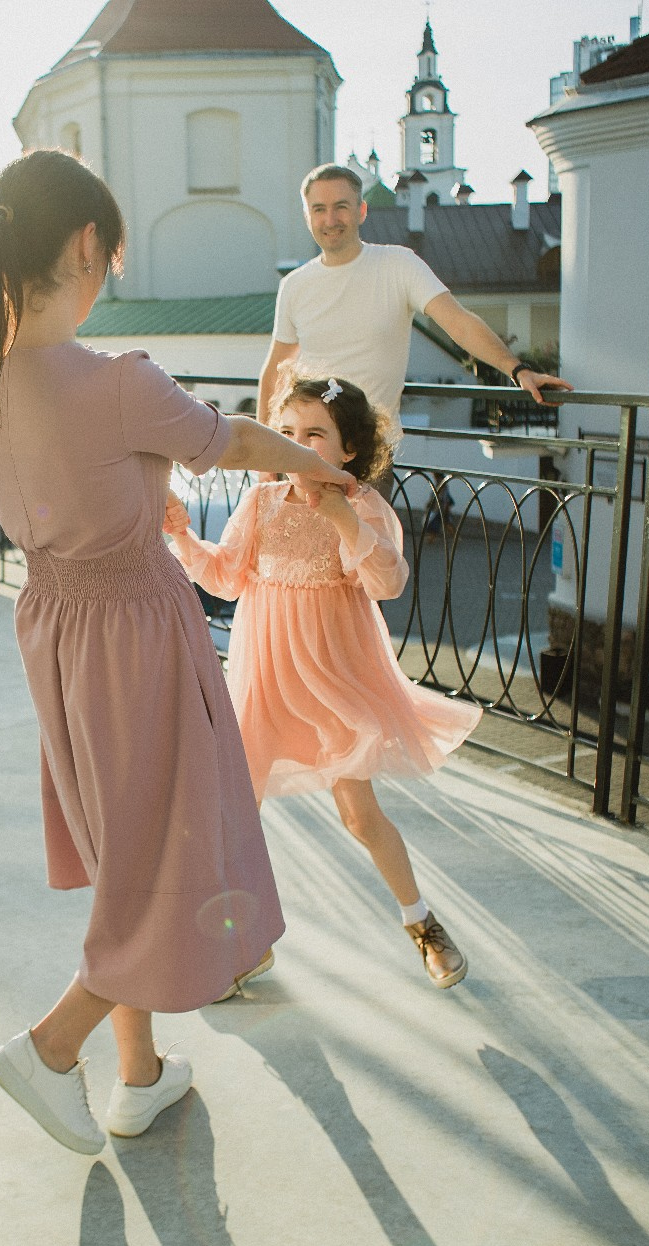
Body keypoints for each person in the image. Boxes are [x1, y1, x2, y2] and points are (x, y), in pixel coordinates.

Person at [0, 150, 358, 1155]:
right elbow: (236, 441)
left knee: (115, 847)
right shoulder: (118, 379)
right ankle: (51, 1047)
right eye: (111, 258)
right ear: (86, 245)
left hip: (56, 625)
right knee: (169, 857)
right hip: (137, 629)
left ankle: (138, 1076)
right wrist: (319, 463)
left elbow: (70, 483)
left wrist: (138, 495)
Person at [165, 372, 483, 987]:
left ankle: (421, 922)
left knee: (359, 814)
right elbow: (228, 578)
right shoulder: (261, 503)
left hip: (332, 679)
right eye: (285, 433)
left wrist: (340, 513)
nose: (297, 447)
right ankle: (247, 943)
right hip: (264, 679)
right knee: (237, 812)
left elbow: (386, 583)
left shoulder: (364, 508)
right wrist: (181, 535)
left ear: (349, 451)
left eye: (315, 435)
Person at [258, 164, 573, 426]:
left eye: (341, 207)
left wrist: (519, 371)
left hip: (369, 455)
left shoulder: (398, 264)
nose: (330, 220)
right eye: (319, 209)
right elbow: (275, 369)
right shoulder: (295, 284)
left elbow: (459, 322)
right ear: (307, 217)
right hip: (303, 453)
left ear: (361, 211)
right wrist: (267, 450)